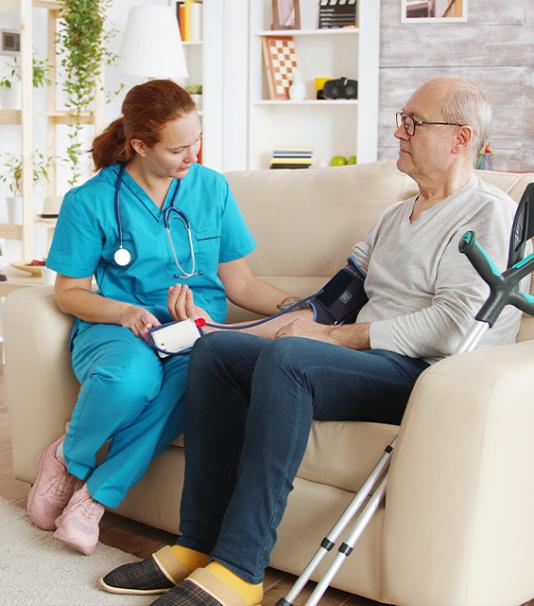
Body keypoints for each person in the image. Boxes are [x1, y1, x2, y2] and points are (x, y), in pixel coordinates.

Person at [101, 77, 525, 605]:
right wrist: (227, 330)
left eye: (414, 123)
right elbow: (332, 302)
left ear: (460, 137)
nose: (398, 132)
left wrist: (331, 338)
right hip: (369, 360)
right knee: (217, 354)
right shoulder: (396, 215)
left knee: (292, 359)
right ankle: (198, 543)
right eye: (402, 120)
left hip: (428, 373)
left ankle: (240, 569)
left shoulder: (488, 214)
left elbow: (454, 325)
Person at [25, 79, 295, 556]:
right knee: (130, 380)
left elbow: (241, 285)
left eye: (197, 141)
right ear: (140, 146)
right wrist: (125, 310)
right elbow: (68, 293)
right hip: (117, 328)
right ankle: (68, 458)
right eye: (177, 149)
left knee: (196, 380)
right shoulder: (90, 202)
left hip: (195, 333)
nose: (193, 156)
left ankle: (94, 497)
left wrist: (301, 308)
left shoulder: (211, 188)